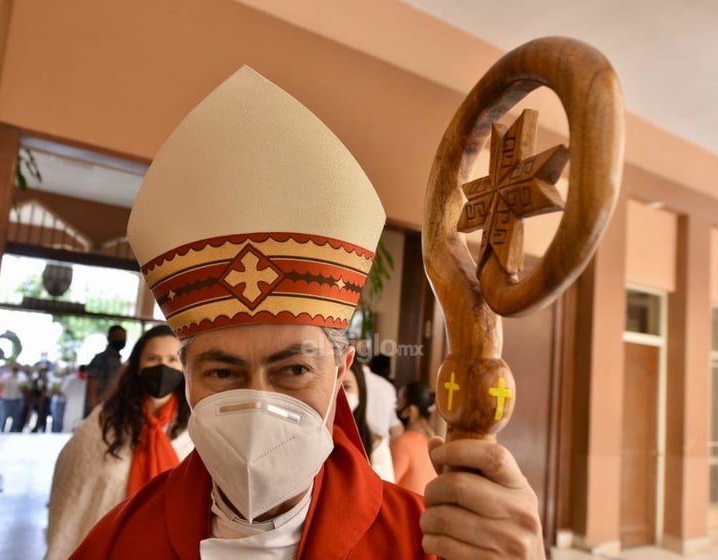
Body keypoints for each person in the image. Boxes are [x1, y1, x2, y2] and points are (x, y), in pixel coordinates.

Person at [71, 66, 544, 559]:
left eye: (294, 369)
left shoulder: (420, 542)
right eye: (222, 371)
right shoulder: (121, 540)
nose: (257, 404)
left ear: (341, 370)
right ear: (187, 376)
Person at [45, 324, 193, 560]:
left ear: (186, 367)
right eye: (153, 358)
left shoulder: (195, 426)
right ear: (137, 366)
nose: (163, 367)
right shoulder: (106, 419)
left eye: (172, 360)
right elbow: (73, 486)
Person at [342, 362, 395, 481]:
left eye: (346, 387)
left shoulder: (375, 443)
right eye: (333, 386)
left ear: (360, 391)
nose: (339, 395)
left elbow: (385, 492)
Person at [391, 381, 439, 494]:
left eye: (399, 400)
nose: (396, 405)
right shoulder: (433, 443)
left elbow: (388, 482)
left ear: (410, 411)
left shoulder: (403, 443)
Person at [84, 325, 127, 416]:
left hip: (110, 412)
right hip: (99, 412)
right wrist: (95, 414)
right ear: (109, 338)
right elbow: (91, 388)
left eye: (123, 337)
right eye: (118, 336)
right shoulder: (101, 359)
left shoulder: (117, 361)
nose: (121, 339)